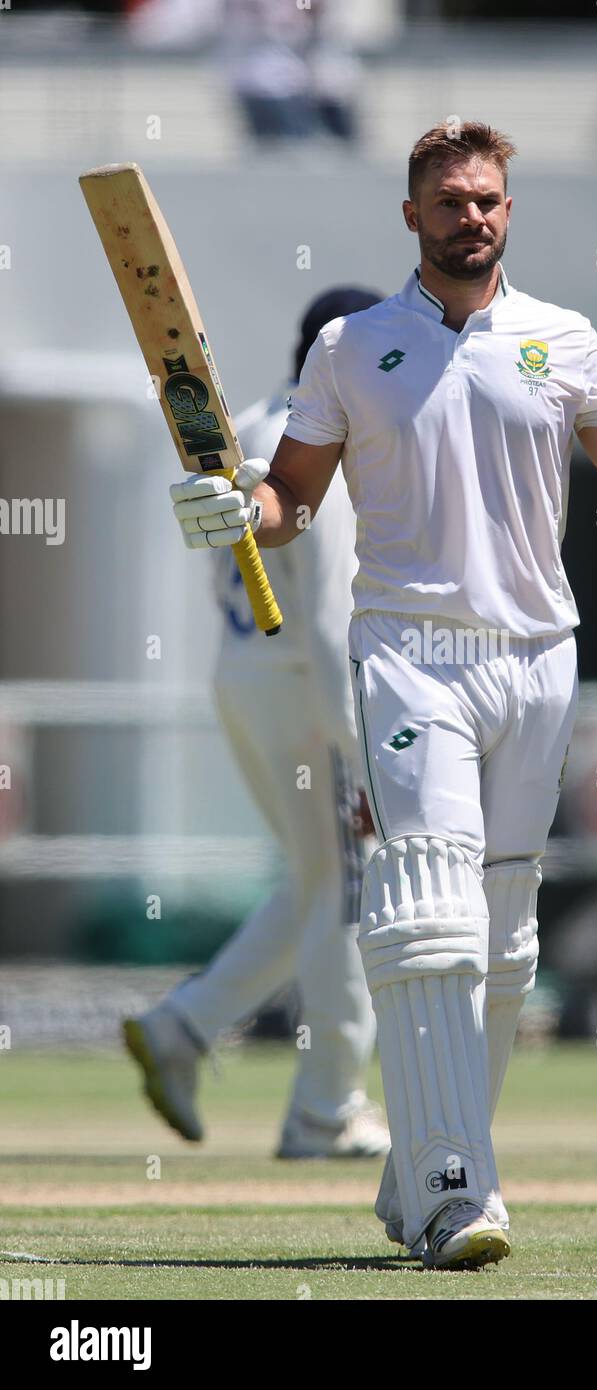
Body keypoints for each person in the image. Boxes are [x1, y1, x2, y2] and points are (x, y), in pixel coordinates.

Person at [169, 122, 597, 1267]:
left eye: (486, 199)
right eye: (448, 200)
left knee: (509, 940)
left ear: (508, 213)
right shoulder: (351, 345)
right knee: (431, 914)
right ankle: (453, 1194)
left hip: (537, 656)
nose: (470, 215)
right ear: (413, 216)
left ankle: (413, 1165)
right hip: (410, 652)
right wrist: (237, 513)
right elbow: (291, 501)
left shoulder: (561, 339)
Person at [124, 288, 390, 1161]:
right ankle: (326, 1108)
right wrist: (359, 750)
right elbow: (319, 616)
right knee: (350, 891)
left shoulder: (246, 425)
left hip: (242, 679)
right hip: (308, 691)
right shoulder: (319, 443)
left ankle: (183, 1027)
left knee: (318, 886)